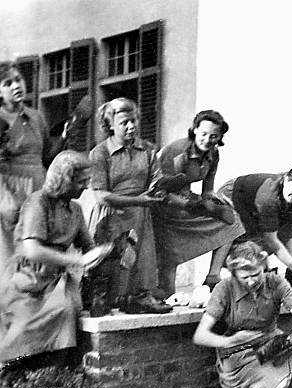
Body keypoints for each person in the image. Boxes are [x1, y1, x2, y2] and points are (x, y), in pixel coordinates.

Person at [0, 151, 110, 364]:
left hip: (56, 280)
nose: (85, 187)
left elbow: (88, 247)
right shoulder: (38, 202)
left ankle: (54, 375)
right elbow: (32, 250)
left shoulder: (76, 210)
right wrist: (77, 261)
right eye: (80, 182)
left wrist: (106, 249)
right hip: (27, 277)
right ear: (64, 180)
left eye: (87, 181)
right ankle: (16, 377)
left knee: (67, 311)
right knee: (21, 325)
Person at [193, 241, 292, 388]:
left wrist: (281, 342)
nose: (251, 282)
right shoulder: (224, 288)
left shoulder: (276, 283)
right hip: (239, 353)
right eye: (244, 277)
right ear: (234, 274)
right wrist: (230, 341)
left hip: (271, 346)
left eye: (256, 275)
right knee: (271, 384)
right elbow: (201, 335)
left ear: (264, 268)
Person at [88, 97, 170, 314]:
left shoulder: (148, 150)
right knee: (112, 258)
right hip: (112, 214)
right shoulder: (100, 153)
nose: (131, 126)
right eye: (125, 122)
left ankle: (139, 297)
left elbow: (156, 180)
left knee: (142, 257)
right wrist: (137, 200)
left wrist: (158, 191)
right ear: (110, 125)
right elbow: (101, 195)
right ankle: (107, 298)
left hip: (142, 212)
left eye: (134, 121)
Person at [153, 110, 245, 297]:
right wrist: (194, 206)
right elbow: (161, 191)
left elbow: (207, 190)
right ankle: (165, 288)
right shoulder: (178, 151)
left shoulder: (213, 153)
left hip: (188, 199)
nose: (207, 140)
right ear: (195, 130)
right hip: (163, 203)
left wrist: (217, 202)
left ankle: (213, 277)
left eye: (214, 136)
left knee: (233, 220)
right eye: (203, 134)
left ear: (220, 137)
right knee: (167, 289)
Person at [0, 62, 69, 268]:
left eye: (18, 80)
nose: (16, 86)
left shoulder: (36, 117)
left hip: (38, 189)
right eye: (8, 83)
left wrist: (64, 136)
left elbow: (47, 158)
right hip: (10, 191)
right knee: (11, 253)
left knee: (39, 250)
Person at [212, 168, 292, 287]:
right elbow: (271, 240)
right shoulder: (268, 197)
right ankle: (213, 276)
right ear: (286, 179)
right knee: (229, 229)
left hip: (252, 203)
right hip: (231, 195)